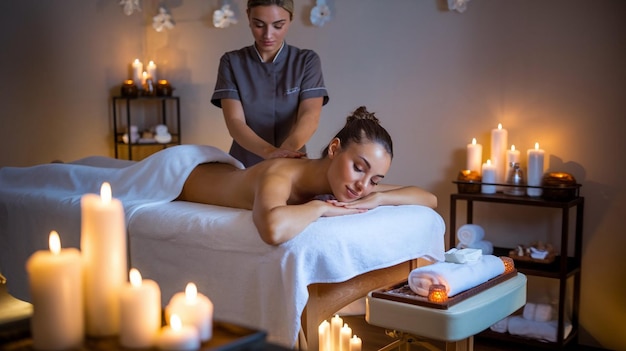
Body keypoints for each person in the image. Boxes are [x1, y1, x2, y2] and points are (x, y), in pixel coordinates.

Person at [178, 106, 437, 245]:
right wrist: (320, 208)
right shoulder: (281, 173)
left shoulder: (353, 184)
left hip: (223, 171)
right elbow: (273, 229)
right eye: (359, 167)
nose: (363, 186)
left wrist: (378, 198)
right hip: (183, 173)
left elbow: (428, 198)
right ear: (334, 148)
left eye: (375, 180)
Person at [211, 0, 329, 167]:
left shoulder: (307, 61)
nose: (267, 35)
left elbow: (310, 116)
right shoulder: (231, 62)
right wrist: (270, 153)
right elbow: (235, 121)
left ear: (290, 19)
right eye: (259, 24)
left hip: (291, 161)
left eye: (278, 26)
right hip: (244, 165)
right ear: (248, 16)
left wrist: (286, 152)